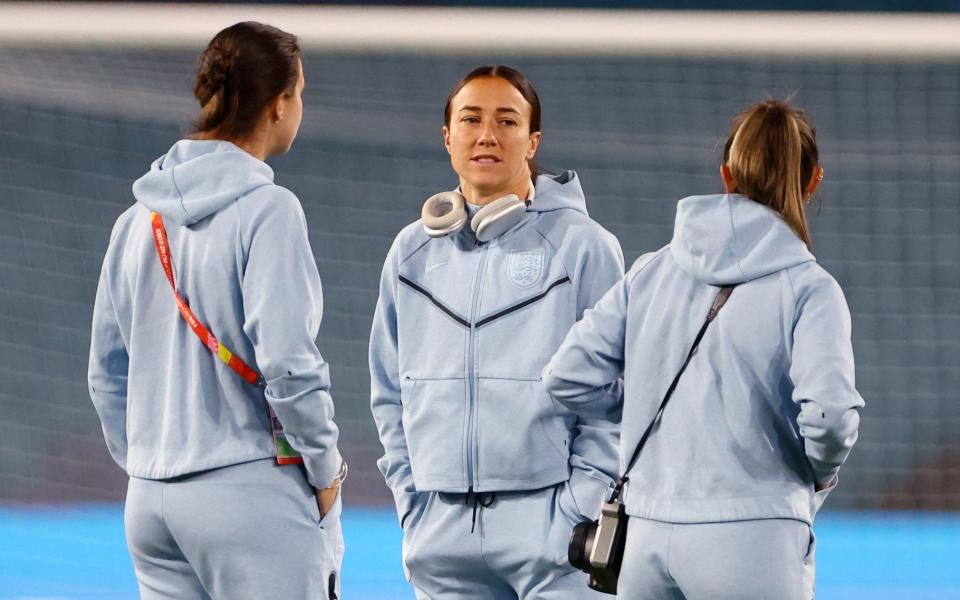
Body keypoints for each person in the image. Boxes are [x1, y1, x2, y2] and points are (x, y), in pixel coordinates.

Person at [544, 99, 864, 599]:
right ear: (812, 181)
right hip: (754, 533)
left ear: (727, 175)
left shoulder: (651, 271)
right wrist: (817, 478)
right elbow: (830, 418)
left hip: (646, 537)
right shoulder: (809, 288)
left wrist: (648, 415)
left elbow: (566, 374)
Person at [88, 21, 344, 600]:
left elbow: (105, 373)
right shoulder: (269, 210)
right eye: (299, 92)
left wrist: (151, 463)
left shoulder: (134, 220)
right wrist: (327, 474)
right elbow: (288, 364)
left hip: (150, 504)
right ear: (279, 104)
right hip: (248, 495)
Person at [369, 65, 625, 599]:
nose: (487, 134)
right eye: (471, 119)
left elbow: (617, 395)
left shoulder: (584, 247)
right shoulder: (409, 252)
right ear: (447, 136)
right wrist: (413, 504)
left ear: (532, 142)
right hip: (440, 535)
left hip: (552, 531)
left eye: (507, 121)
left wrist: (579, 507)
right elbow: (390, 391)